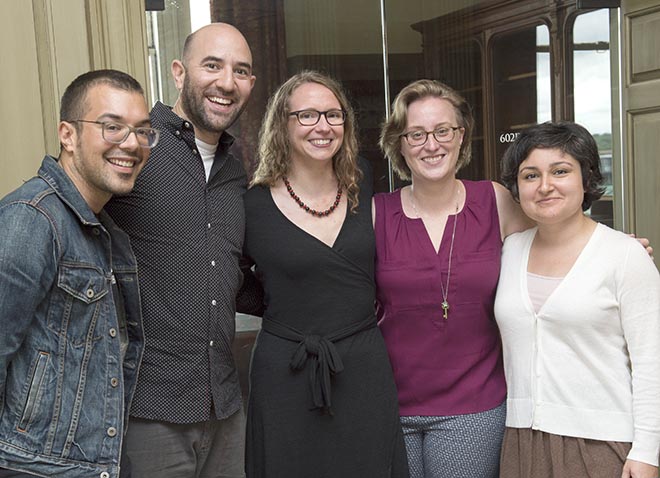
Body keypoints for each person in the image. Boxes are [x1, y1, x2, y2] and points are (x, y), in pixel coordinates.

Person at [105, 23, 260, 478]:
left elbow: (236, 278)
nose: (227, 82)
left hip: (226, 406)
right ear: (178, 72)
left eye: (242, 71)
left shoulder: (236, 173)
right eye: (212, 65)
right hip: (150, 409)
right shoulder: (134, 149)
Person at [243, 70, 409, 477]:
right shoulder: (252, 205)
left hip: (363, 365)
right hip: (287, 370)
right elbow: (230, 279)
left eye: (334, 115)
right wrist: (285, 316)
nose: (323, 126)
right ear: (283, 124)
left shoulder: (364, 181)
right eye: (308, 115)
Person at [0, 69, 155, 477]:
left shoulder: (105, 231)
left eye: (142, 131)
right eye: (112, 127)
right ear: (67, 135)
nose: (132, 143)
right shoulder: (31, 220)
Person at [374, 79, 531, 477]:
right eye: (417, 134)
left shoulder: (494, 200)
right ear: (400, 143)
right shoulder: (375, 214)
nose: (432, 144)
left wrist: (612, 248)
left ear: (461, 136)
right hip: (388, 405)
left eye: (443, 131)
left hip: (473, 406)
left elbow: (555, 241)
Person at [495, 121, 660, 478]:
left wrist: (648, 451)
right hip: (521, 441)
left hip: (601, 445)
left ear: (586, 179)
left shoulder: (624, 255)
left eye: (560, 171)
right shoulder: (509, 251)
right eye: (530, 175)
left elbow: (652, 362)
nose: (545, 186)